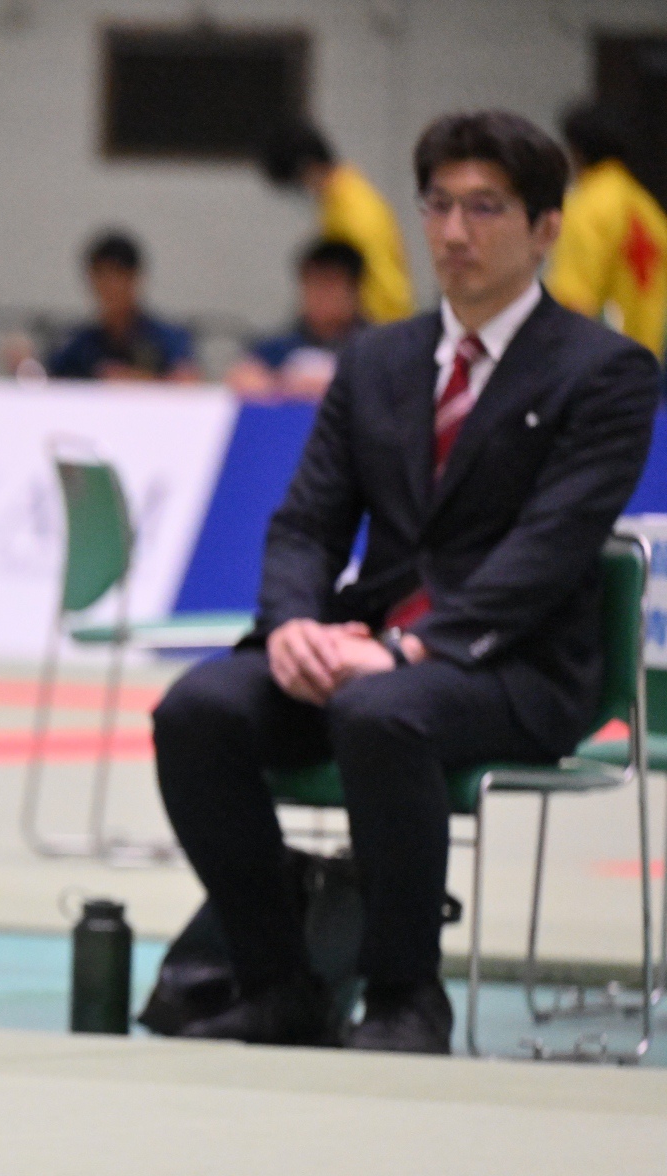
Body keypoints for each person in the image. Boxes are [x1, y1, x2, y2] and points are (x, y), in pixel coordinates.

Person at [150, 109, 659, 1054]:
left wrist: (408, 649)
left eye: (485, 208)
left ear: (546, 228)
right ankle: (278, 981)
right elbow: (306, 521)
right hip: (370, 649)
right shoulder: (377, 360)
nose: (455, 231)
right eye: (439, 205)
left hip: (516, 666)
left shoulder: (608, 372)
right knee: (198, 711)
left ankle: (405, 997)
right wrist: (293, 626)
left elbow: (550, 547)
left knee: (381, 712)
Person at [259, 120, 416, 324]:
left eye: (297, 184)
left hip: (379, 326)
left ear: (308, 169)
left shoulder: (354, 213)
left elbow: (383, 288)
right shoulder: (340, 199)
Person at [548, 102, 667, 357]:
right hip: (650, 358)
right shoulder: (645, 206)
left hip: (603, 360)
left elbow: (574, 299)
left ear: (577, 151)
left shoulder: (588, 205)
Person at [43, 230, 198, 382]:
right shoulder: (80, 345)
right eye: (101, 276)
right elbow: (50, 381)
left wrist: (136, 380)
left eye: (118, 275)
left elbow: (187, 380)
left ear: (135, 278)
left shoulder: (168, 338)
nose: (110, 287)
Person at [227, 238, 368, 400]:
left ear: (354, 289)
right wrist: (281, 384)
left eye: (330, 285)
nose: (320, 296)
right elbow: (243, 378)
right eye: (312, 284)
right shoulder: (275, 348)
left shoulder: (377, 348)